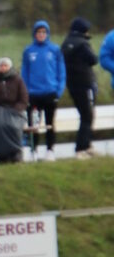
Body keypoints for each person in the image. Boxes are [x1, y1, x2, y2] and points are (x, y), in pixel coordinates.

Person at [21, 20, 66, 161]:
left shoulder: (54, 50)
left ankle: (50, 150)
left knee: (50, 123)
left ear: (47, 34)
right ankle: (33, 150)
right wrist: (25, 91)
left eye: (43, 32)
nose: (41, 35)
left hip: (50, 93)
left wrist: (58, 91)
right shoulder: (29, 51)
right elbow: (24, 73)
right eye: (38, 32)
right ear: (34, 34)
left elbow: (61, 72)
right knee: (33, 124)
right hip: (33, 94)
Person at [60, 18, 99, 159]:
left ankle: (86, 145)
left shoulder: (65, 43)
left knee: (84, 114)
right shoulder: (82, 44)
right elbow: (94, 60)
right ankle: (81, 148)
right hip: (85, 84)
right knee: (87, 116)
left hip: (72, 84)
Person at [0, 57, 29, 163]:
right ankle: (1, 156)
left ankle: (16, 154)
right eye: (1, 65)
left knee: (13, 127)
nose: (3, 68)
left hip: (15, 113)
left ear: (10, 67)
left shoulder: (18, 81)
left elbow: (24, 99)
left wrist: (15, 110)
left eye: (5, 65)